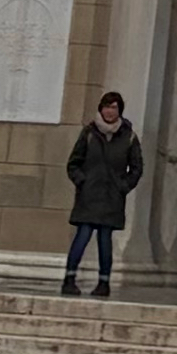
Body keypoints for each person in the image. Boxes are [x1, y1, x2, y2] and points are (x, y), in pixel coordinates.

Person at [62, 94, 143, 299]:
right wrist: (82, 181)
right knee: (83, 235)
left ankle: (104, 282)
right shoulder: (89, 133)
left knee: (105, 239)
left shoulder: (129, 137)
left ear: (119, 110)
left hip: (111, 196)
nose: (109, 111)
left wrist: (123, 186)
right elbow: (74, 163)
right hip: (89, 195)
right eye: (106, 107)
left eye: (114, 107)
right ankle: (69, 278)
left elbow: (136, 168)